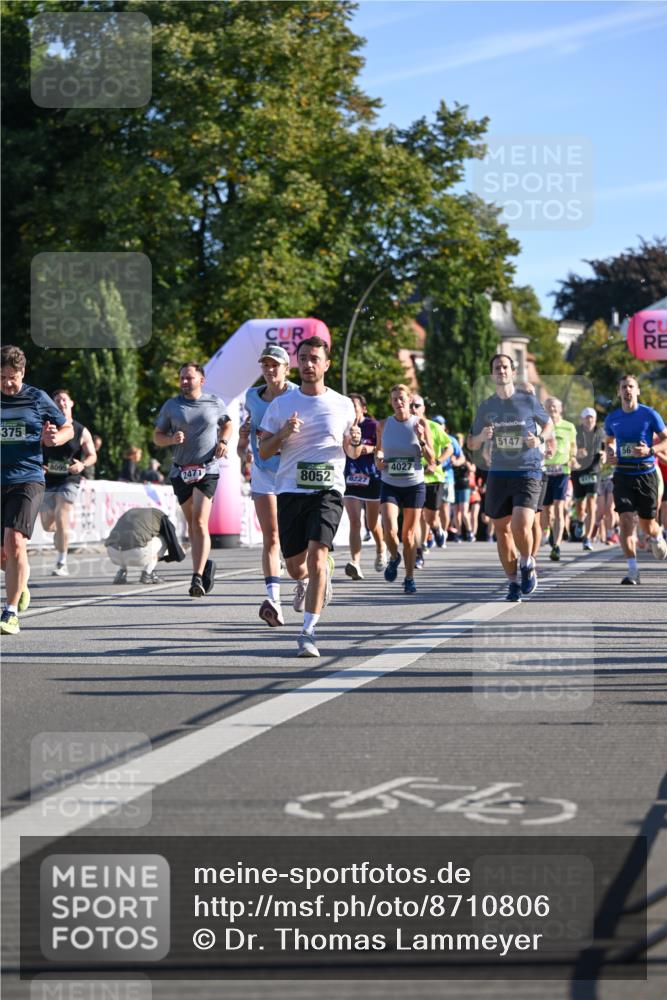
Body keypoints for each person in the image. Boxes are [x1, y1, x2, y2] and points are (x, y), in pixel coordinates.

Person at [259, 336, 362, 657]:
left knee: (317, 556)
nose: (308, 364)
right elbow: (263, 452)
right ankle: (310, 577)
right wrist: (283, 434)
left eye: (314, 358)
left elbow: (353, 452)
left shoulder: (343, 404)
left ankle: (308, 631)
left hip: (328, 490)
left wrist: (355, 441)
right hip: (290, 489)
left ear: (326, 364)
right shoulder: (280, 405)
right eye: (302, 358)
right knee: (294, 566)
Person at [469, 354, 554, 602]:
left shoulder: (528, 400)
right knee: (501, 530)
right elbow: (471, 442)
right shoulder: (486, 407)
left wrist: (539, 439)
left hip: (528, 469)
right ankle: (513, 582)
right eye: (497, 368)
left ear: (512, 372)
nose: (502, 371)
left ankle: (527, 562)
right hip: (499, 472)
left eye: (506, 367)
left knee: (520, 523)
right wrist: (482, 437)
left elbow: (549, 426)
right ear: (492, 374)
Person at [1, 345, 73, 634]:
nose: (7, 383)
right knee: (4, 554)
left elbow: (66, 427)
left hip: (28, 477)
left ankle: (9, 612)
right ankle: (21, 583)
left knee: (15, 541)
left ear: (23, 373)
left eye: (13, 377)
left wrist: (55, 439)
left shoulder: (37, 398)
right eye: (2, 376)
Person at [154, 361, 232, 597]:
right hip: (180, 470)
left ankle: (196, 577)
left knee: (199, 522)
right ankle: (205, 563)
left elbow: (227, 424)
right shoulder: (171, 406)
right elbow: (157, 437)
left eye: (189, 377)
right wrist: (170, 440)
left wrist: (223, 441)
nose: (185, 382)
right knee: (192, 525)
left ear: (201, 380)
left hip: (207, 468)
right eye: (182, 378)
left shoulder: (214, 402)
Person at [237, 344, 298, 627]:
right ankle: (274, 600)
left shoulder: (298, 394)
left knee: (294, 539)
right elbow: (250, 428)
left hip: (292, 472)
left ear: (286, 368)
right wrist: (242, 439)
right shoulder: (252, 396)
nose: (270, 370)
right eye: (266, 365)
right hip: (263, 471)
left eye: (275, 365)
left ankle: (306, 579)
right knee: (271, 537)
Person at [604, 374, 667, 584]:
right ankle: (632, 570)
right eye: (624, 387)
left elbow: (666, 439)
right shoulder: (613, 418)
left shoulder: (649, 414)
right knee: (625, 521)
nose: (627, 390)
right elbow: (609, 440)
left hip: (646, 473)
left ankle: (657, 535)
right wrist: (610, 452)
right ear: (619, 391)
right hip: (622, 474)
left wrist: (650, 449)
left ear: (637, 390)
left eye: (631, 386)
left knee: (647, 523)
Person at [375, 384, 435, 594]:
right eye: (394, 399)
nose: (398, 402)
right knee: (389, 529)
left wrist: (421, 440)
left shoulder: (420, 423)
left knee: (408, 535)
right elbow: (378, 452)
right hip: (390, 482)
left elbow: (432, 459)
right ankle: (394, 557)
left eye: (401, 398)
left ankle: (409, 578)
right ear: (391, 403)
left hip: (413, 485)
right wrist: (378, 460)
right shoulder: (383, 425)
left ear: (409, 400)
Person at [39, 389, 97, 576]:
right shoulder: (47, 427)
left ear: (71, 403)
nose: (61, 403)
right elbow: (34, 449)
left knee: (62, 515)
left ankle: (61, 562)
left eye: (64, 400)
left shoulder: (81, 430)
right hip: (48, 478)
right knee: (48, 524)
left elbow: (92, 455)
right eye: (57, 401)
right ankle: (61, 533)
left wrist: (82, 465)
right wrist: (39, 466)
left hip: (69, 479)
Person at [343, 392, 386, 580]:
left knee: (372, 522)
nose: (351, 409)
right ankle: (355, 563)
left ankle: (381, 548)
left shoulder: (372, 426)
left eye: (355, 405)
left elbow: (382, 447)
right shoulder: (343, 425)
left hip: (372, 477)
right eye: (349, 405)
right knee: (354, 521)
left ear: (363, 409)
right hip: (350, 477)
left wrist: (372, 449)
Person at [410, 396, 451, 566]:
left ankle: (436, 529)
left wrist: (437, 463)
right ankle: (419, 552)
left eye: (417, 405)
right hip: (414, 477)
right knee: (417, 515)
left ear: (423, 408)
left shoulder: (433, 427)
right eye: (410, 405)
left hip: (434, 477)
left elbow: (449, 448)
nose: (413, 408)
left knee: (431, 517)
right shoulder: (404, 427)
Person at [105, 507, 185, 584]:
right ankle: (147, 573)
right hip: (136, 554)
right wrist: (179, 554)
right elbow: (171, 536)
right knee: (163, 539)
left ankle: (121, 573)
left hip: (113, 553)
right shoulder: (159, 515)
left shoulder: (129, 513)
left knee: (123, 541)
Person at [541, 397, 577, 562]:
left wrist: (573, 457)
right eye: (549, 407)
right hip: (544, 471)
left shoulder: (569, 426)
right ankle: (548, 529)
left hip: (562, 471)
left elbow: (573, 445)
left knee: (559, 507)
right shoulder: (542, 426)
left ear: (560, 409)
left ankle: (556, 545)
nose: (552, 410)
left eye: (555, 407)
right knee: (546, 510)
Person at [572, 407, 605, 551]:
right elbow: (569, 448)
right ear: (582, 419)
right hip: (579, 470)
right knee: (580, 504)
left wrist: (604, 453)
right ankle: (580, 521)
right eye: (586, 417)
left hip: (594, 470)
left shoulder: (601, 432)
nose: (589, 420)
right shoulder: (576, 432)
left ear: (595, 419)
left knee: (592, 503)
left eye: (591, 417)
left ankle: (587, 538)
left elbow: (608, 445)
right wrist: (575, 452)